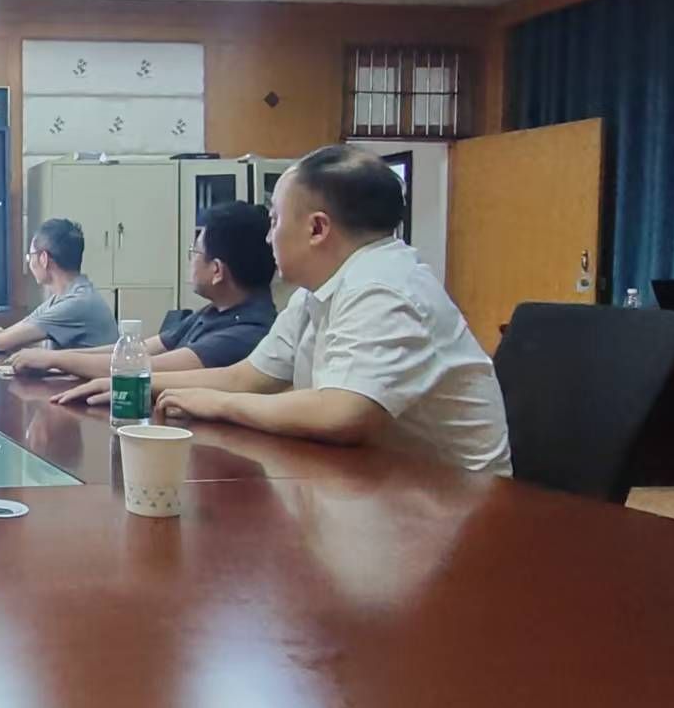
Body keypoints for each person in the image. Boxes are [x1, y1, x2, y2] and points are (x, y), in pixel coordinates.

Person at [104, 145, 509, 473]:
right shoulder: (318, 291)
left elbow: (341, 413)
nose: (268, 238)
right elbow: (248, 377)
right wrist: (137, 383)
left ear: (317, 228)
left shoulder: (384, 286)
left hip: (460, 502)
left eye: (275, 220)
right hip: (384, 481)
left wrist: (218, 404)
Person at [32, 201, 278, 387]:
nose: (190, 260)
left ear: (216, 271)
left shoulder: (247, 332)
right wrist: (53, 359)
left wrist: (55, 360)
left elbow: (139, 367)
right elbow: (135, 350)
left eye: (194, 252)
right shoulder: (214, 312)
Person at [0, 218, 119, 353]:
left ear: (43, 259)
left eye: (30, 257)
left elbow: (0, 342)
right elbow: (15, 332)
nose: (30, 263)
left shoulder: (76, 303)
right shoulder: (63, 298)